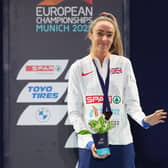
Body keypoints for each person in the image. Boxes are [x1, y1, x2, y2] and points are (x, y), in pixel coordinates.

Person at [67, 12, 167, 168]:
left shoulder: (123, 64)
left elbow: (132, 103)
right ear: (91, 35)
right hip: (91, 144)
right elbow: (74, 113)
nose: (105, 39)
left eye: (109, 35)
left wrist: (144, 120)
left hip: (122, 141)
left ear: (113, 38)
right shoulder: (78, 67)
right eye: (100, 33)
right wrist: (88, 142)